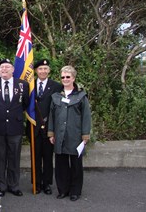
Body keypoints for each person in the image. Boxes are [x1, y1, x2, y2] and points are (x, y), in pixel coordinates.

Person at [0, 58, 29, 197]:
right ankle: (0, 185)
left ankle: (13, 185)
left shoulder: (23, 85)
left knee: (14, 157)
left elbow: (25, 104)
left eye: (7, 67)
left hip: (15, 126)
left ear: (13, 70)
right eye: (2, 67)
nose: (4, 69)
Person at [48, 65, 92, 202]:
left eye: (68, 77)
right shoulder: (56, 96)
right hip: (60, 135)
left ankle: (75, 191)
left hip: (75, 135)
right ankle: (63, 190)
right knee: (61, 165)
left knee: (76, 165)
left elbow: (86, 116)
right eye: (63, 77)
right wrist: (51, 133)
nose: (65, 79)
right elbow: (51, 116)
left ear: (73, 78)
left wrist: (85, 135)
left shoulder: (81, 96)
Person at [27, 59, 62, 195]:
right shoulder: (30, 85)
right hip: (33, 127)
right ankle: (36, 183)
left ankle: (47, 183)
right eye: (40, 69)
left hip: (49, 127)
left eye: (45, 69)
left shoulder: (56, 86)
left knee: (47, 157)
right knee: (35, 157)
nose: (43, 71)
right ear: (36, 71)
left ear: (49, 71)